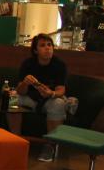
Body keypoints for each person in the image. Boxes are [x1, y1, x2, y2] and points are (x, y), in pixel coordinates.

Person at [8, 33, 69, 161]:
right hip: (30, 98)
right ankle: (16, 139)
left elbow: (61, 90)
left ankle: (50, 145)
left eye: (49, 45)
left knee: (58, 103)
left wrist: (51, 93)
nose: (47, 48)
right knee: (12, 98)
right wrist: (25, 83)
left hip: (49, 99)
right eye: (42, 45)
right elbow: (20, 91)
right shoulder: (28, 64)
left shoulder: (59, 65)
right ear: (35, 50)